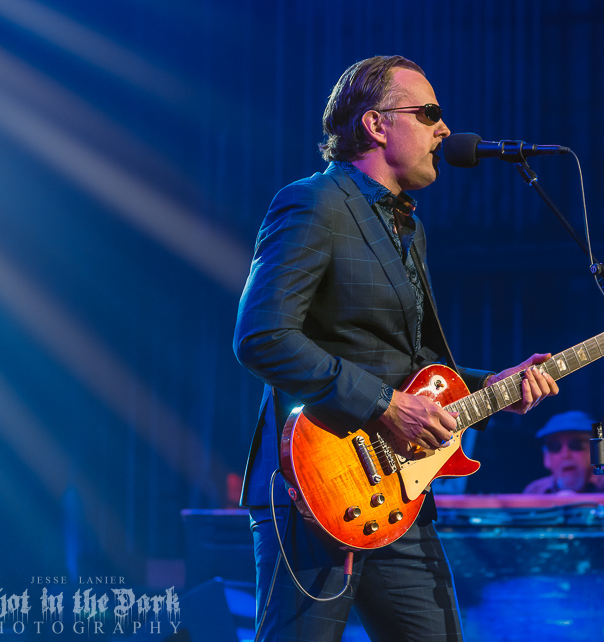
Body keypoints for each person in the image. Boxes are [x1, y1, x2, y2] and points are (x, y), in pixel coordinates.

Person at [233, 55, 559, 642]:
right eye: (429, 113)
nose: (443, 129)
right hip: (316, 485)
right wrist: (384, 405)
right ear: (377, 125)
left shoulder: (408, 226)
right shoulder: (313, 204)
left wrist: (491, 386)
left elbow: (410, 366)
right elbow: (262, 336)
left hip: (397, 492)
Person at [523, 411, 604, 494]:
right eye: (555, 447)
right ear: (546, 458)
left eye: (576, 445)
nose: (565, 454)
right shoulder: (535, 491)